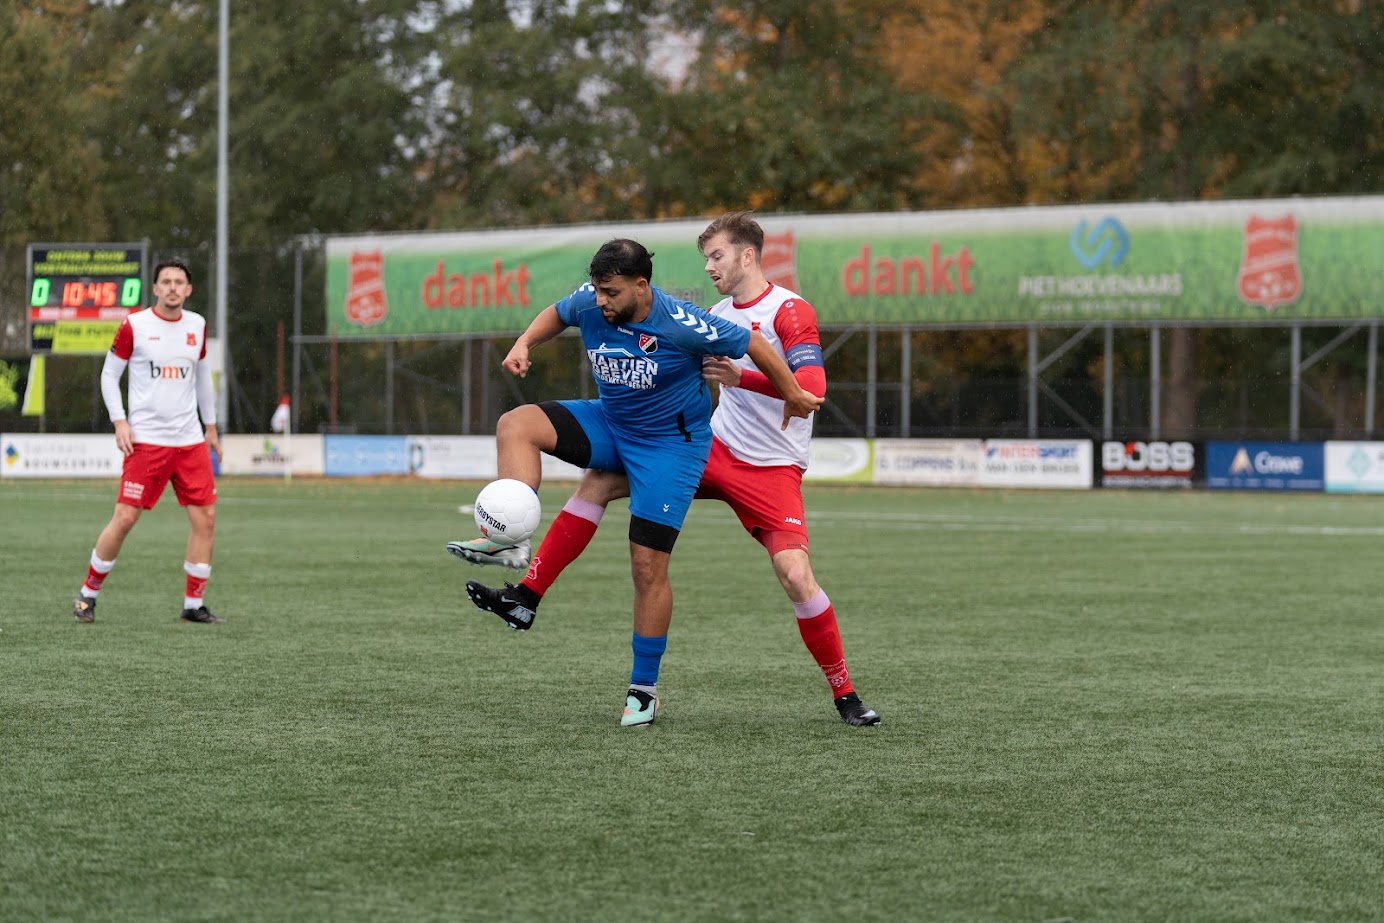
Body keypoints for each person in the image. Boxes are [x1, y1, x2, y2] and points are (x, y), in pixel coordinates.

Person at [454, 212, 880, 727]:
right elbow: (560, 311)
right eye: (705, 258)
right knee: (565, 458)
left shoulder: (782, 311)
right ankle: (521, 577)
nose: (709, 267)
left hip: (756, 465)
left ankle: (844, 692)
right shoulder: (707, 309)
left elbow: (809, 383)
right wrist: (523, 343)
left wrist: (765, 385)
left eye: (717, 255)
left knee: (788, 573)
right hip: (711, 445)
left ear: (747, 255)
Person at [71, 258, 224, 625]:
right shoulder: (134, 326)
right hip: (147, 443)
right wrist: (119, 421)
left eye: (179, 282)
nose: (172, 287)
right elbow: (109, 376)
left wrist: (212, 426)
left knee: (206, 518)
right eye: (166, 281)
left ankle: (193, 605)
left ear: (188, 290)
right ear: (154, 288)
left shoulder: (197, 325)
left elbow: (203, 378)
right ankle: (87, 595)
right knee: (124, 518)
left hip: (189, 443)